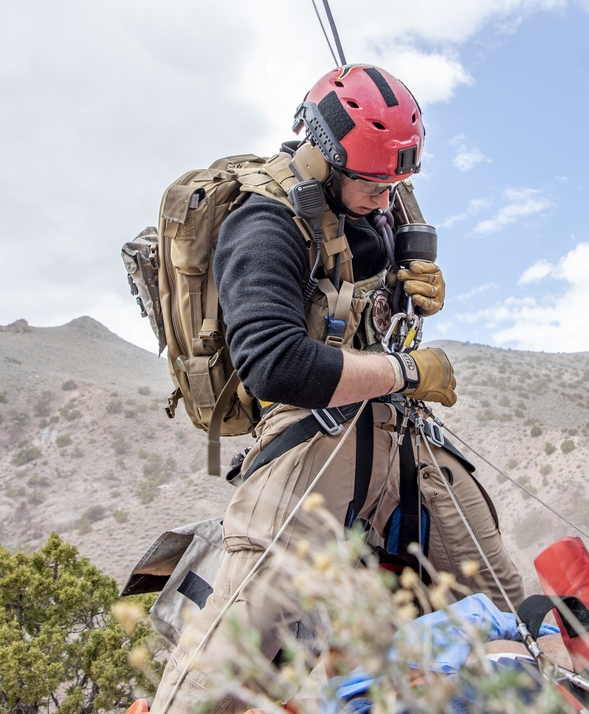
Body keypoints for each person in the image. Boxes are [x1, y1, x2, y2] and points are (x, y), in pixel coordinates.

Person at [150, 64, 524, 713]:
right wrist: (411, 371)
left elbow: (364, 313)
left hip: (398, 432)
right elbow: (276, 362)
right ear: (324, 154)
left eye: (396, 186)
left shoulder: (370, 217)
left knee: (499, 593)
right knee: (239, 647)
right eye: (374, 184)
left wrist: (409, 293)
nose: (386, 200)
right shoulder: (263, 224)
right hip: (312, 440)